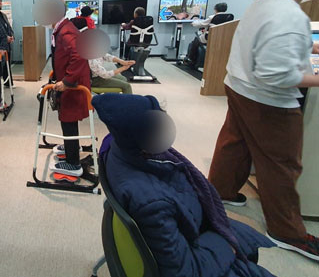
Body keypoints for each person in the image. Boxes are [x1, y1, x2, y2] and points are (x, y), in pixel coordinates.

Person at [208, 0, 319, 261]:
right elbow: (278, 76)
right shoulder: (290, 16)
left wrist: (311, 46)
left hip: (238, 85)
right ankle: (287, 231)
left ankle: (221, 191)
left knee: (235, 143)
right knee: (281, 164)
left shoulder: (264, 2)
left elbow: (276, 44)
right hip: (268, 101)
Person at [93, 93, 276, 277]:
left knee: (245, 241)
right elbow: (184, 271)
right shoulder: (153, 204)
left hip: (190, 228)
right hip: (198, 253)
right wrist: (226, 247)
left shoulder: (117, 145)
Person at [49, 0, 91, 177]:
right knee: (68, 120)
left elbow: (79, 55)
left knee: (68, 120)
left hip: (72, 85)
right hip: (70, 81)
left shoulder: (66, 32)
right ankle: (70, 147)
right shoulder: (62, 28)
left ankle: (74, 163)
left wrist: (66, 81)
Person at [71, 16, 134, 94]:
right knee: (126, 86)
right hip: (94, 79)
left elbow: (104, 55)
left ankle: (113, 99)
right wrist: (123, 68)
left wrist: (122, 62)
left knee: (123, 79)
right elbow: (105, 74)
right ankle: (127, 102)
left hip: (98, 74)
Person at [184, 2, 229, 68]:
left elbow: (201, 23)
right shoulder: (229, 17)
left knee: (196, 39)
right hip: (222, 39)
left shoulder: (213, 17)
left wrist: (193, 23)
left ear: (215, 9)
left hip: (209, 38)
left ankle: (191, 59)